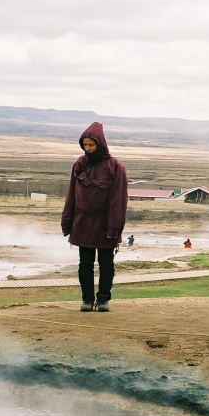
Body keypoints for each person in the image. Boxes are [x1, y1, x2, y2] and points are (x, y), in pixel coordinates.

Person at [61, 122, 128, 312]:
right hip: (82, 223)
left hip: (105, 224)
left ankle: (104, 299)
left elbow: (118, 200)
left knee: (106, 264)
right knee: (85, 264)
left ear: (100, 144)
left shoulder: (115, 167)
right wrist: (67, 222)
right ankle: (87, 300)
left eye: (91, 144)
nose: (88, 148)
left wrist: (113, 228)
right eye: (85, 145)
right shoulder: (80, 164)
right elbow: (71, 195)